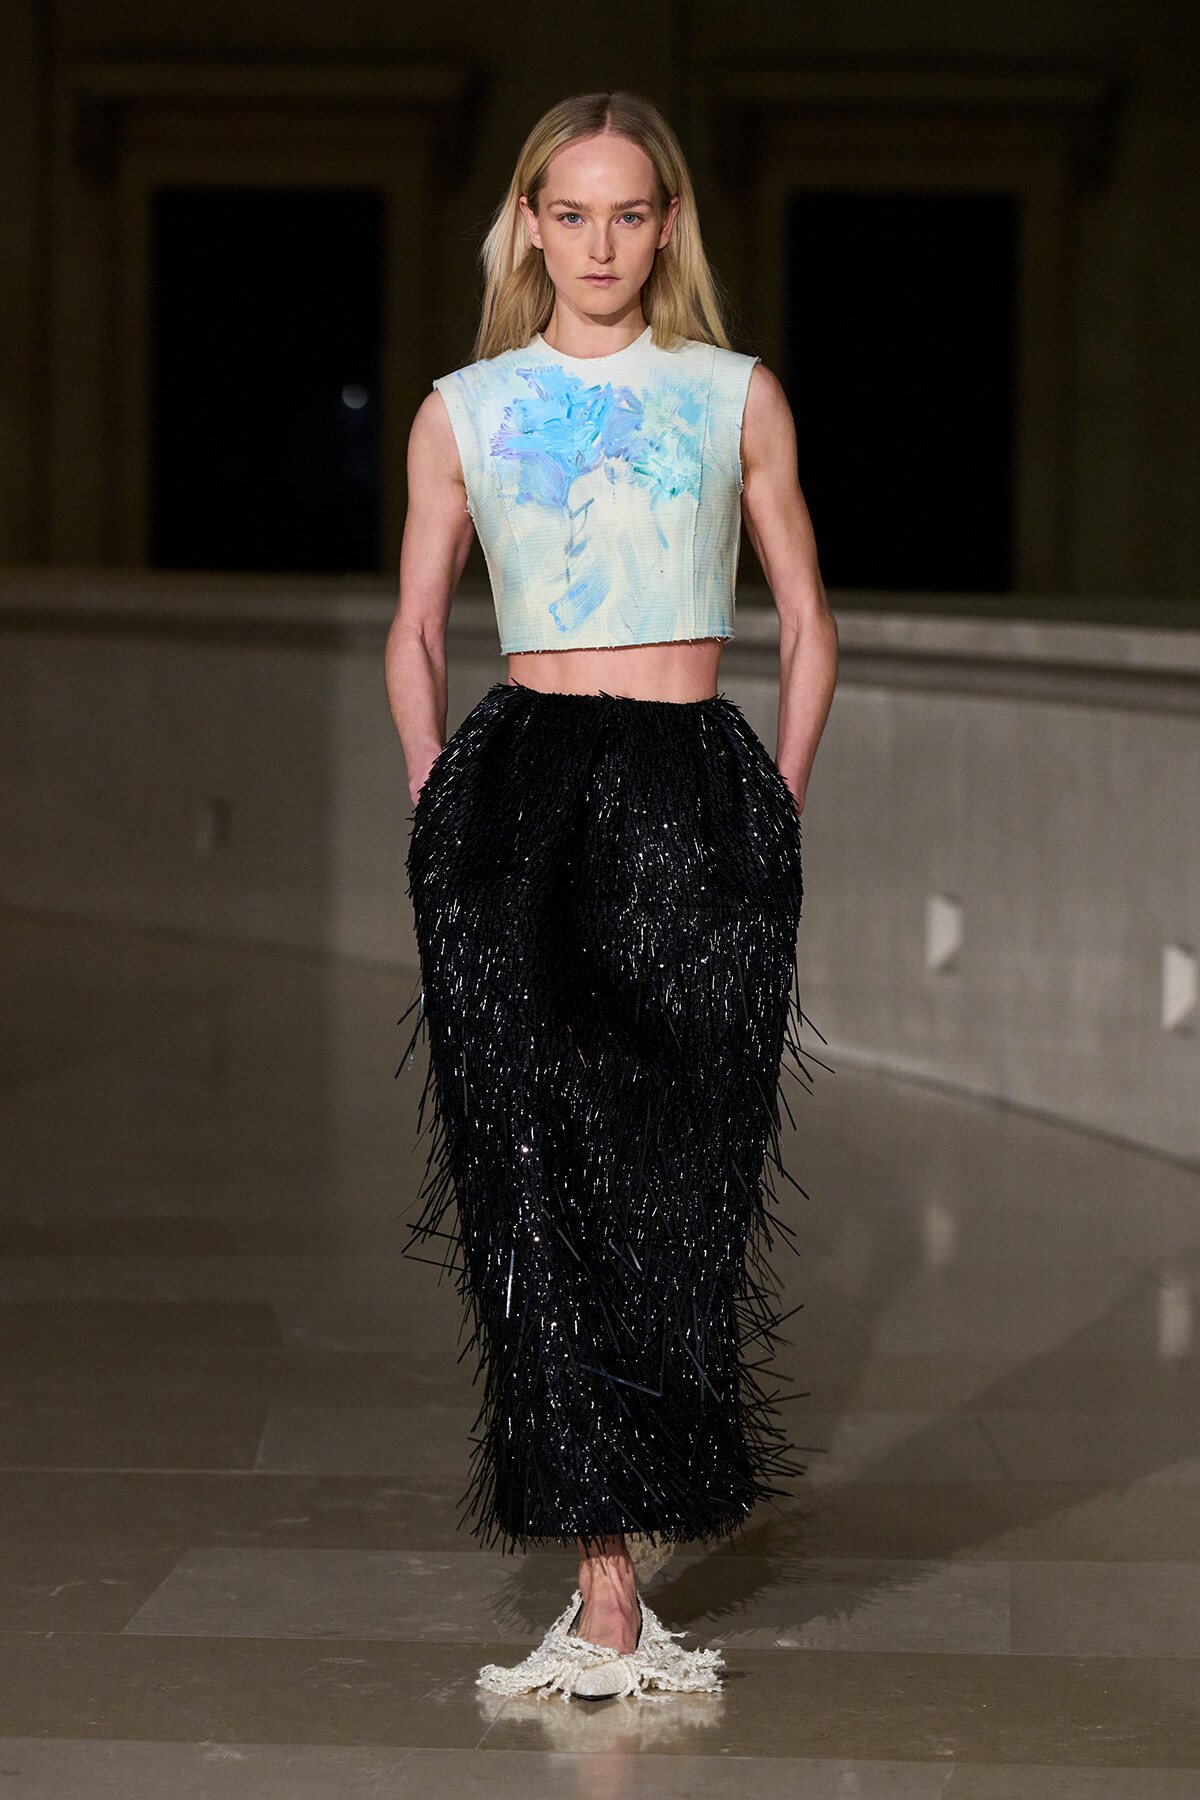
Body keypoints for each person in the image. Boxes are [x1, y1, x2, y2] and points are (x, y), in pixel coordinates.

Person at [385, 89, 837, 1700]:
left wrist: (768, 811)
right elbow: (415, 623)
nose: (596, 242)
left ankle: (637, 1517)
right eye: (567, 213)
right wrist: (438, 796)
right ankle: (600, 1571)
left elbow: (809, 619)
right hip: (514, 798)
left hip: (689, 790)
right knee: (526, 1166)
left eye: (627, 213)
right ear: (526, 224)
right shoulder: (465, 407)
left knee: (683, 1170)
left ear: (667, 227)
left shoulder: (733, 396)